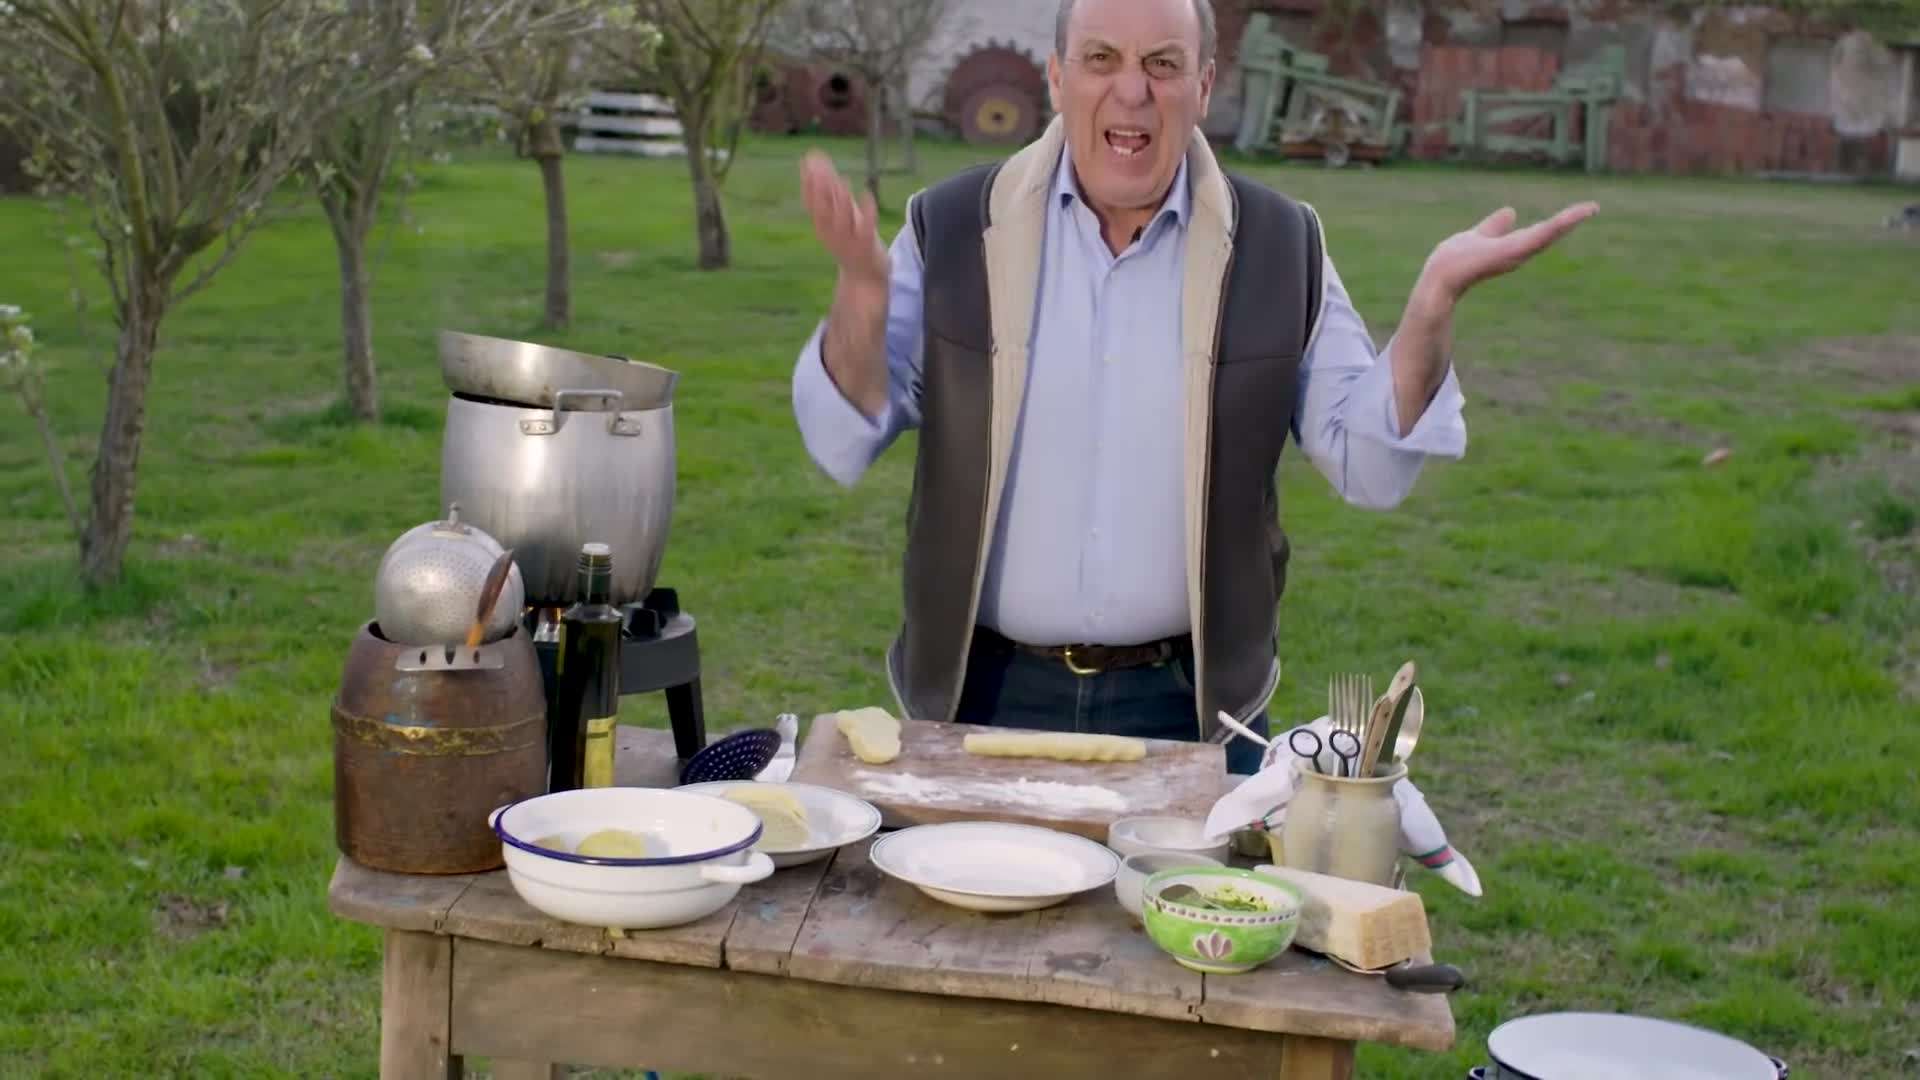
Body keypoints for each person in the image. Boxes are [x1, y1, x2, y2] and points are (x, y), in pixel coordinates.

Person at [790, 0, 1596, 774]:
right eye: (1101, 59)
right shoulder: (953, 225)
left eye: (1162, 64)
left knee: (1202, 887)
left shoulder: (1280, 244)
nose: (1131, 91)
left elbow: (1371, 466)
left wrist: (1430, 309)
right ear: (1057, 78)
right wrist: (861, 291)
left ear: (1204, 85)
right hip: (980, 700)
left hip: (1197, 709)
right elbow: (842, 433)